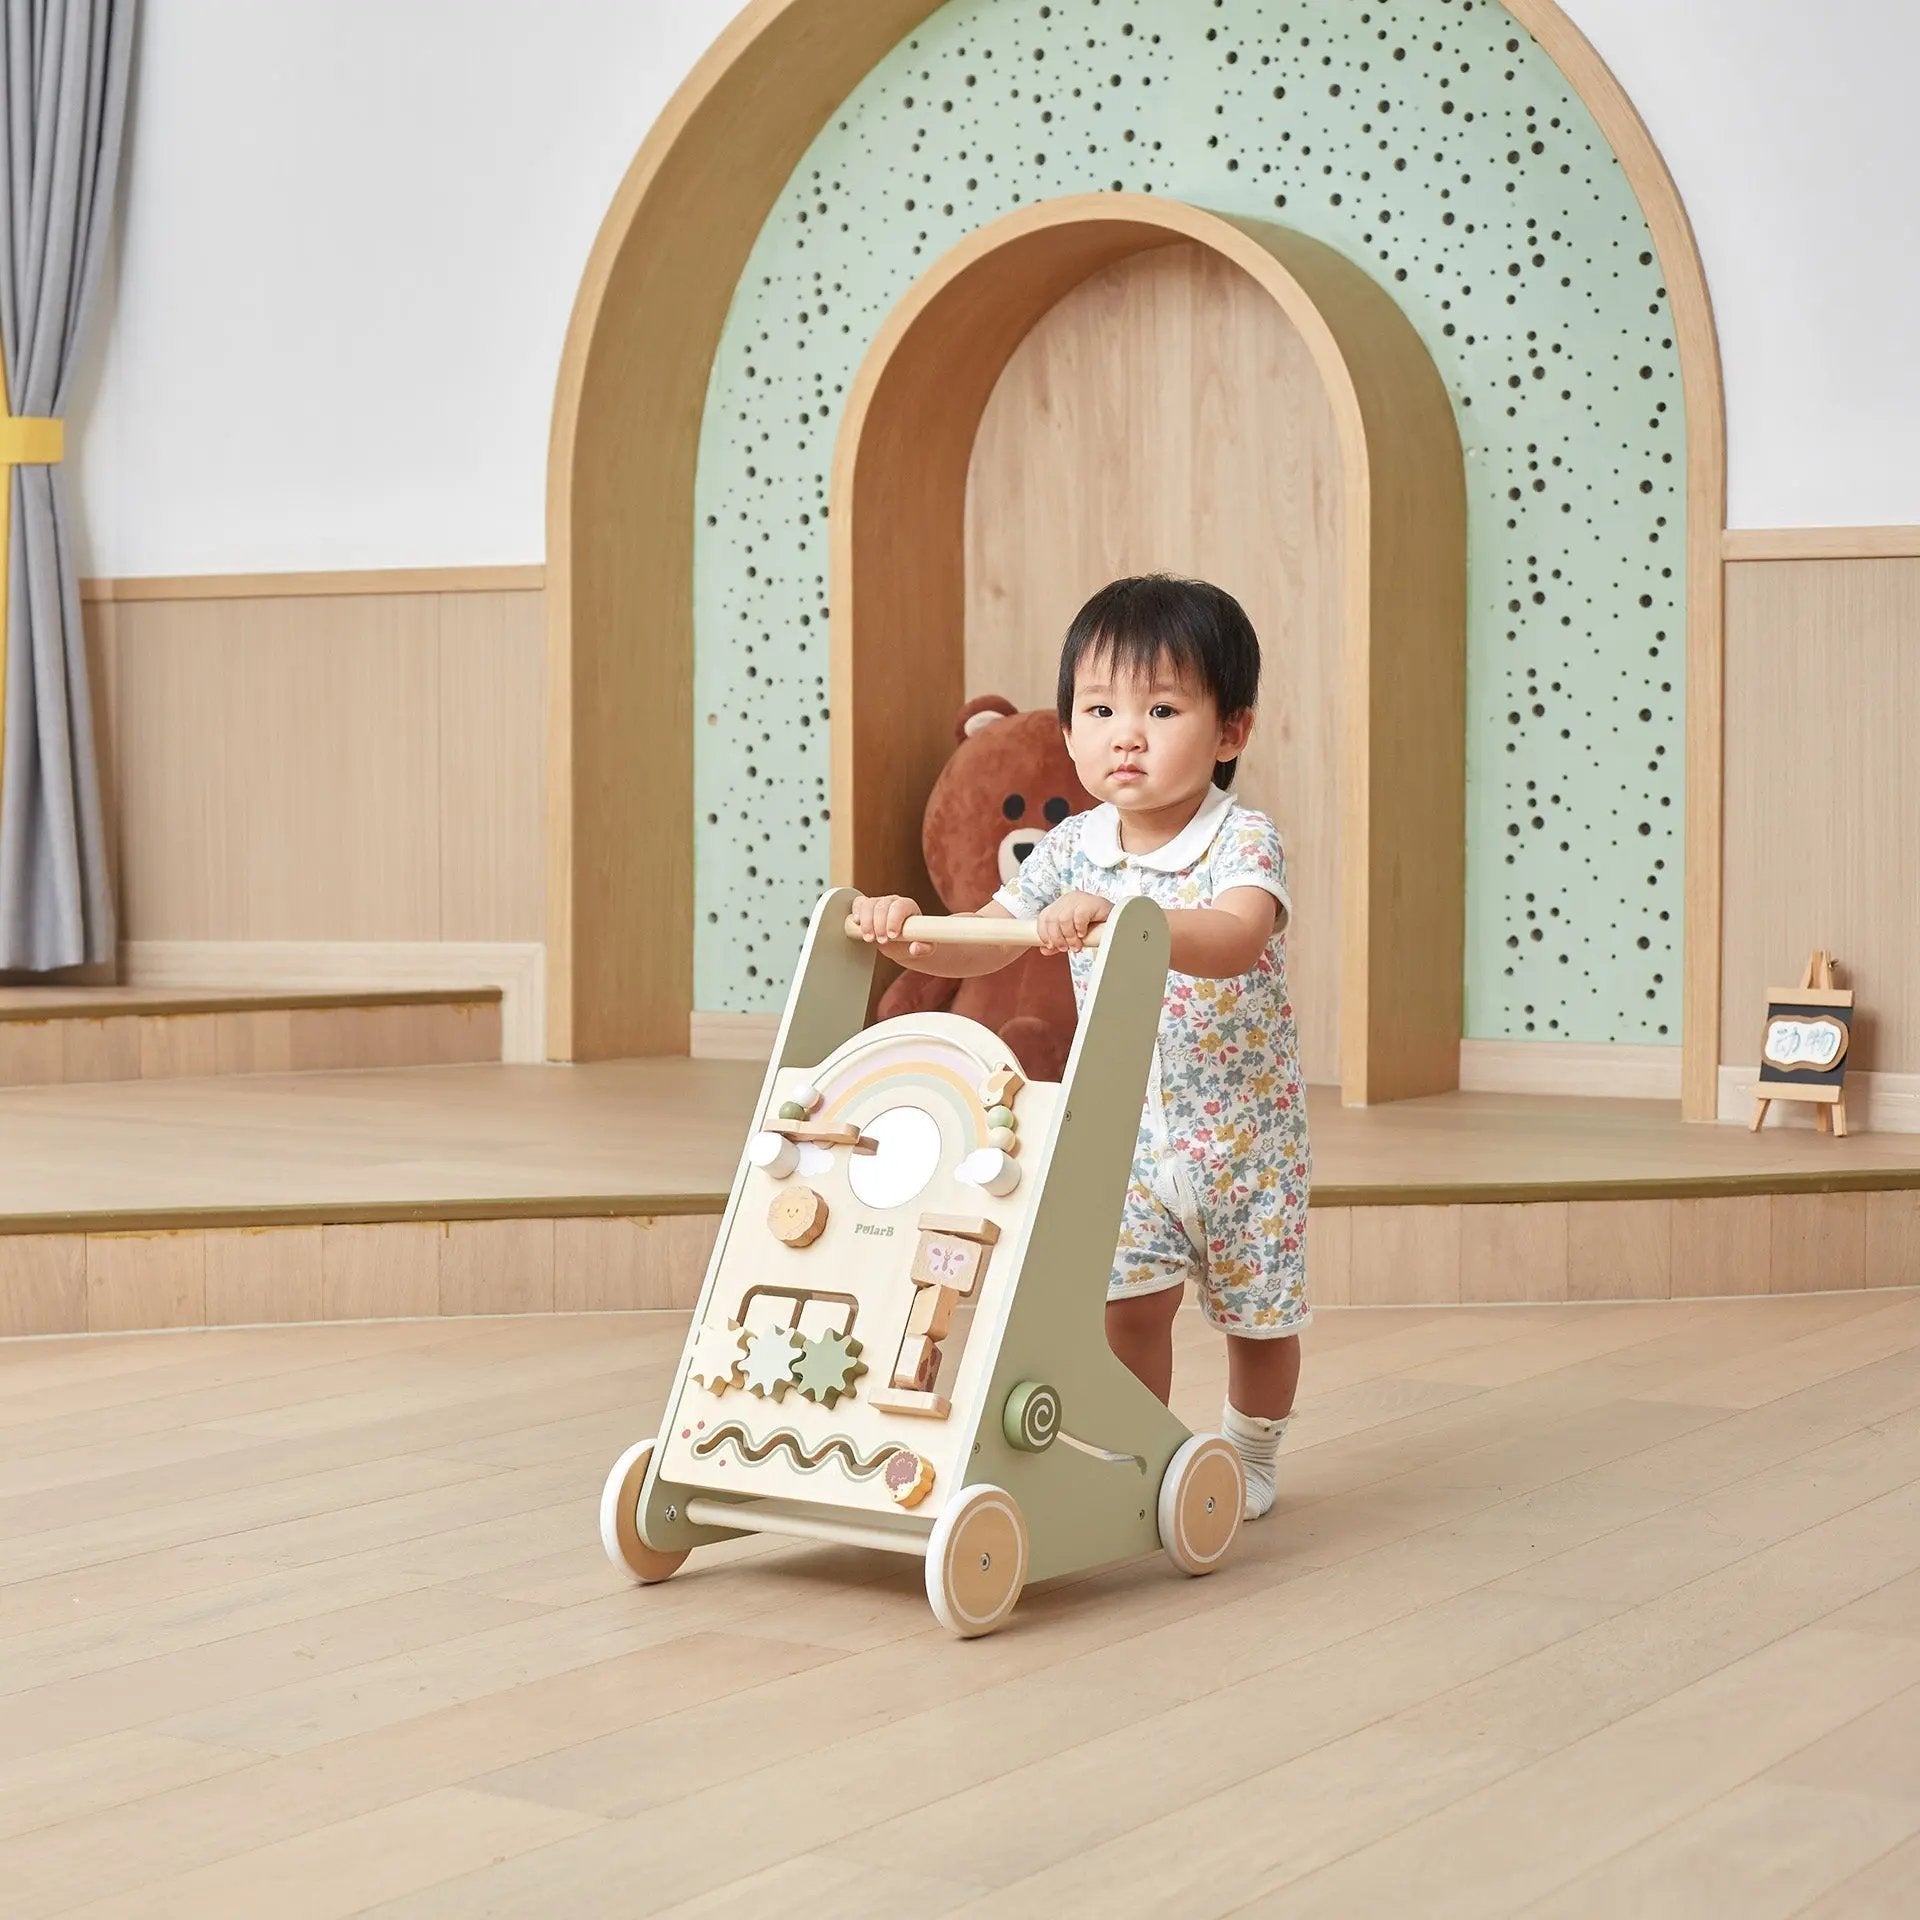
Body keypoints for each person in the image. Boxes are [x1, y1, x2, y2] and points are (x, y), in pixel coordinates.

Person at [849, 575, 1309, 1519]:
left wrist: (1130, 919)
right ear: (1069, 733)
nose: (1125, 734)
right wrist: (907, 930)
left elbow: (1236, 938)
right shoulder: (1072, 846)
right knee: (1129, 1304)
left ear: (1231, 732)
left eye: (1162, 708)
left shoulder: (1240, 842)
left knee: (1257, 1319)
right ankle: (1142, 1454)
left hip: (1241, 1139)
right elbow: (984, 929)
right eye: (1099, 709)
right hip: (1125, 1125)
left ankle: (1252, 1452)